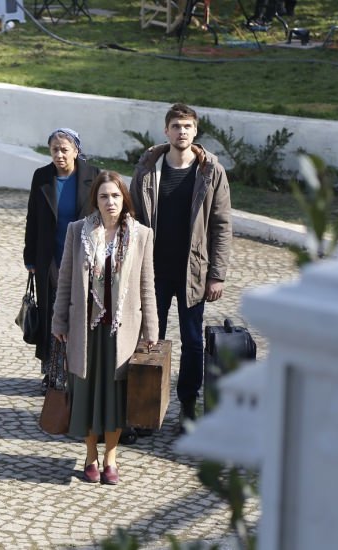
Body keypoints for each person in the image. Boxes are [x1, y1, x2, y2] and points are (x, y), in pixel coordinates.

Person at [129, 103, 232, 429]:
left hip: (193, 272)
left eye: (187, 126)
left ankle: (187, 404)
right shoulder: (147, 169)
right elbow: (131, 218)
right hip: (152, 271)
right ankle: (146, 407)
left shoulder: (211, 172)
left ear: (195, 131)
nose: (182, 132)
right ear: (166, 131)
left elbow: (221, 225)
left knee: (192, 341)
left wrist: (217, 275)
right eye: (176, 126)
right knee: (149, 338)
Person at [52, 171, 158, 485]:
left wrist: (151, 329)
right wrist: (59, 320)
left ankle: (111, 457)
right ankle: (90, 456)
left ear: (124, 199)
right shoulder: (78, 231)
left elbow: (147, 285)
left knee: (115, 397)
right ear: (95, 201)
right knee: (86, 394)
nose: (110, 202)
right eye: (103, 196)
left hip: (121, 330)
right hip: (85, 329)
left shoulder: (141, 235)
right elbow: (66, 279)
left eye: (115, 196)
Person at [24, 128, 100, 394]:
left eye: (64, 149)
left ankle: (77, 371)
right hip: (51, 257)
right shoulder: (42, 177)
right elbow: (32, 217)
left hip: (84, 257)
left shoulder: (93, 176)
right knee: (53, 314)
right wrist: (30, 257)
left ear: (76, 151)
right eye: (54, 150)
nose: (59, 155)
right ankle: (53, 372)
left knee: (80, 313)